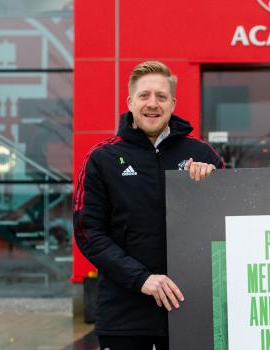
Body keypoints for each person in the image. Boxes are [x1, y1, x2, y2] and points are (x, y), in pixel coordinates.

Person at [73, 61, 223, 349]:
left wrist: (214, 187)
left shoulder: (202, 155)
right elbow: (87, 232)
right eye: (144, 96)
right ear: (130, 101)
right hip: (124, 317)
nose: (152, 104)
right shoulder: (102, 158)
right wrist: (141, 279)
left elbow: (224, 227)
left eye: (161, 96)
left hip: (192, 311)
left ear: (173, 103)